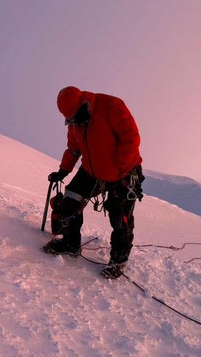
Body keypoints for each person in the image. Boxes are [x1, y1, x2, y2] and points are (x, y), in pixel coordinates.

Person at [43, 86, 144, 278]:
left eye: (76, 117)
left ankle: (118, 261)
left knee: (120, 215)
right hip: (91, 169)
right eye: (71, 120)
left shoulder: (112, 106)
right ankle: (71, 244)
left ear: (83, 104)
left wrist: (118, 170)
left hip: (124, 170)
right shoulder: (75, 123)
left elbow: (131, 139)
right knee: (70, 201)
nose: (75, 122)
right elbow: (73, 148)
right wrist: (63, 171)